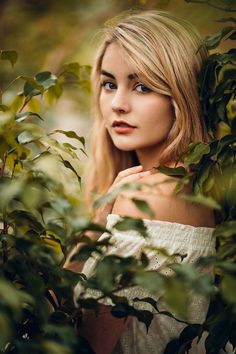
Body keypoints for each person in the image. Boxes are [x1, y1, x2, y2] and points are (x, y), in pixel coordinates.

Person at [65, 10, 216, 354]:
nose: (117, 104)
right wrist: (98, 223)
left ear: (182, 95)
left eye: (142, 86)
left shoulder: (146, 196)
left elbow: (77, 344)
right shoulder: (202, 184)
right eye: (109, 84)